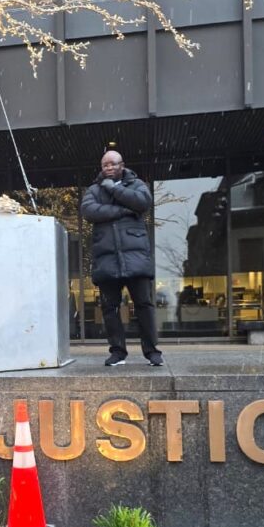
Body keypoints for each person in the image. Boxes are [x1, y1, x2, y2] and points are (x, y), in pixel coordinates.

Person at [81, 150, 163, 367]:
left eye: (113, 164)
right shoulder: (93, 190)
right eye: (105, 164)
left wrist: (115, 189)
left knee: (144, 305)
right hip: (106, 260)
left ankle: (152, 351)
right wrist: (123, 210)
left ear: (122, 165)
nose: (108, 167)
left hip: (135, 257)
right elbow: (88, 211)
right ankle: (117, 352)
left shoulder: (136, 184)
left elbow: (143, 202)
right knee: (110, 309)